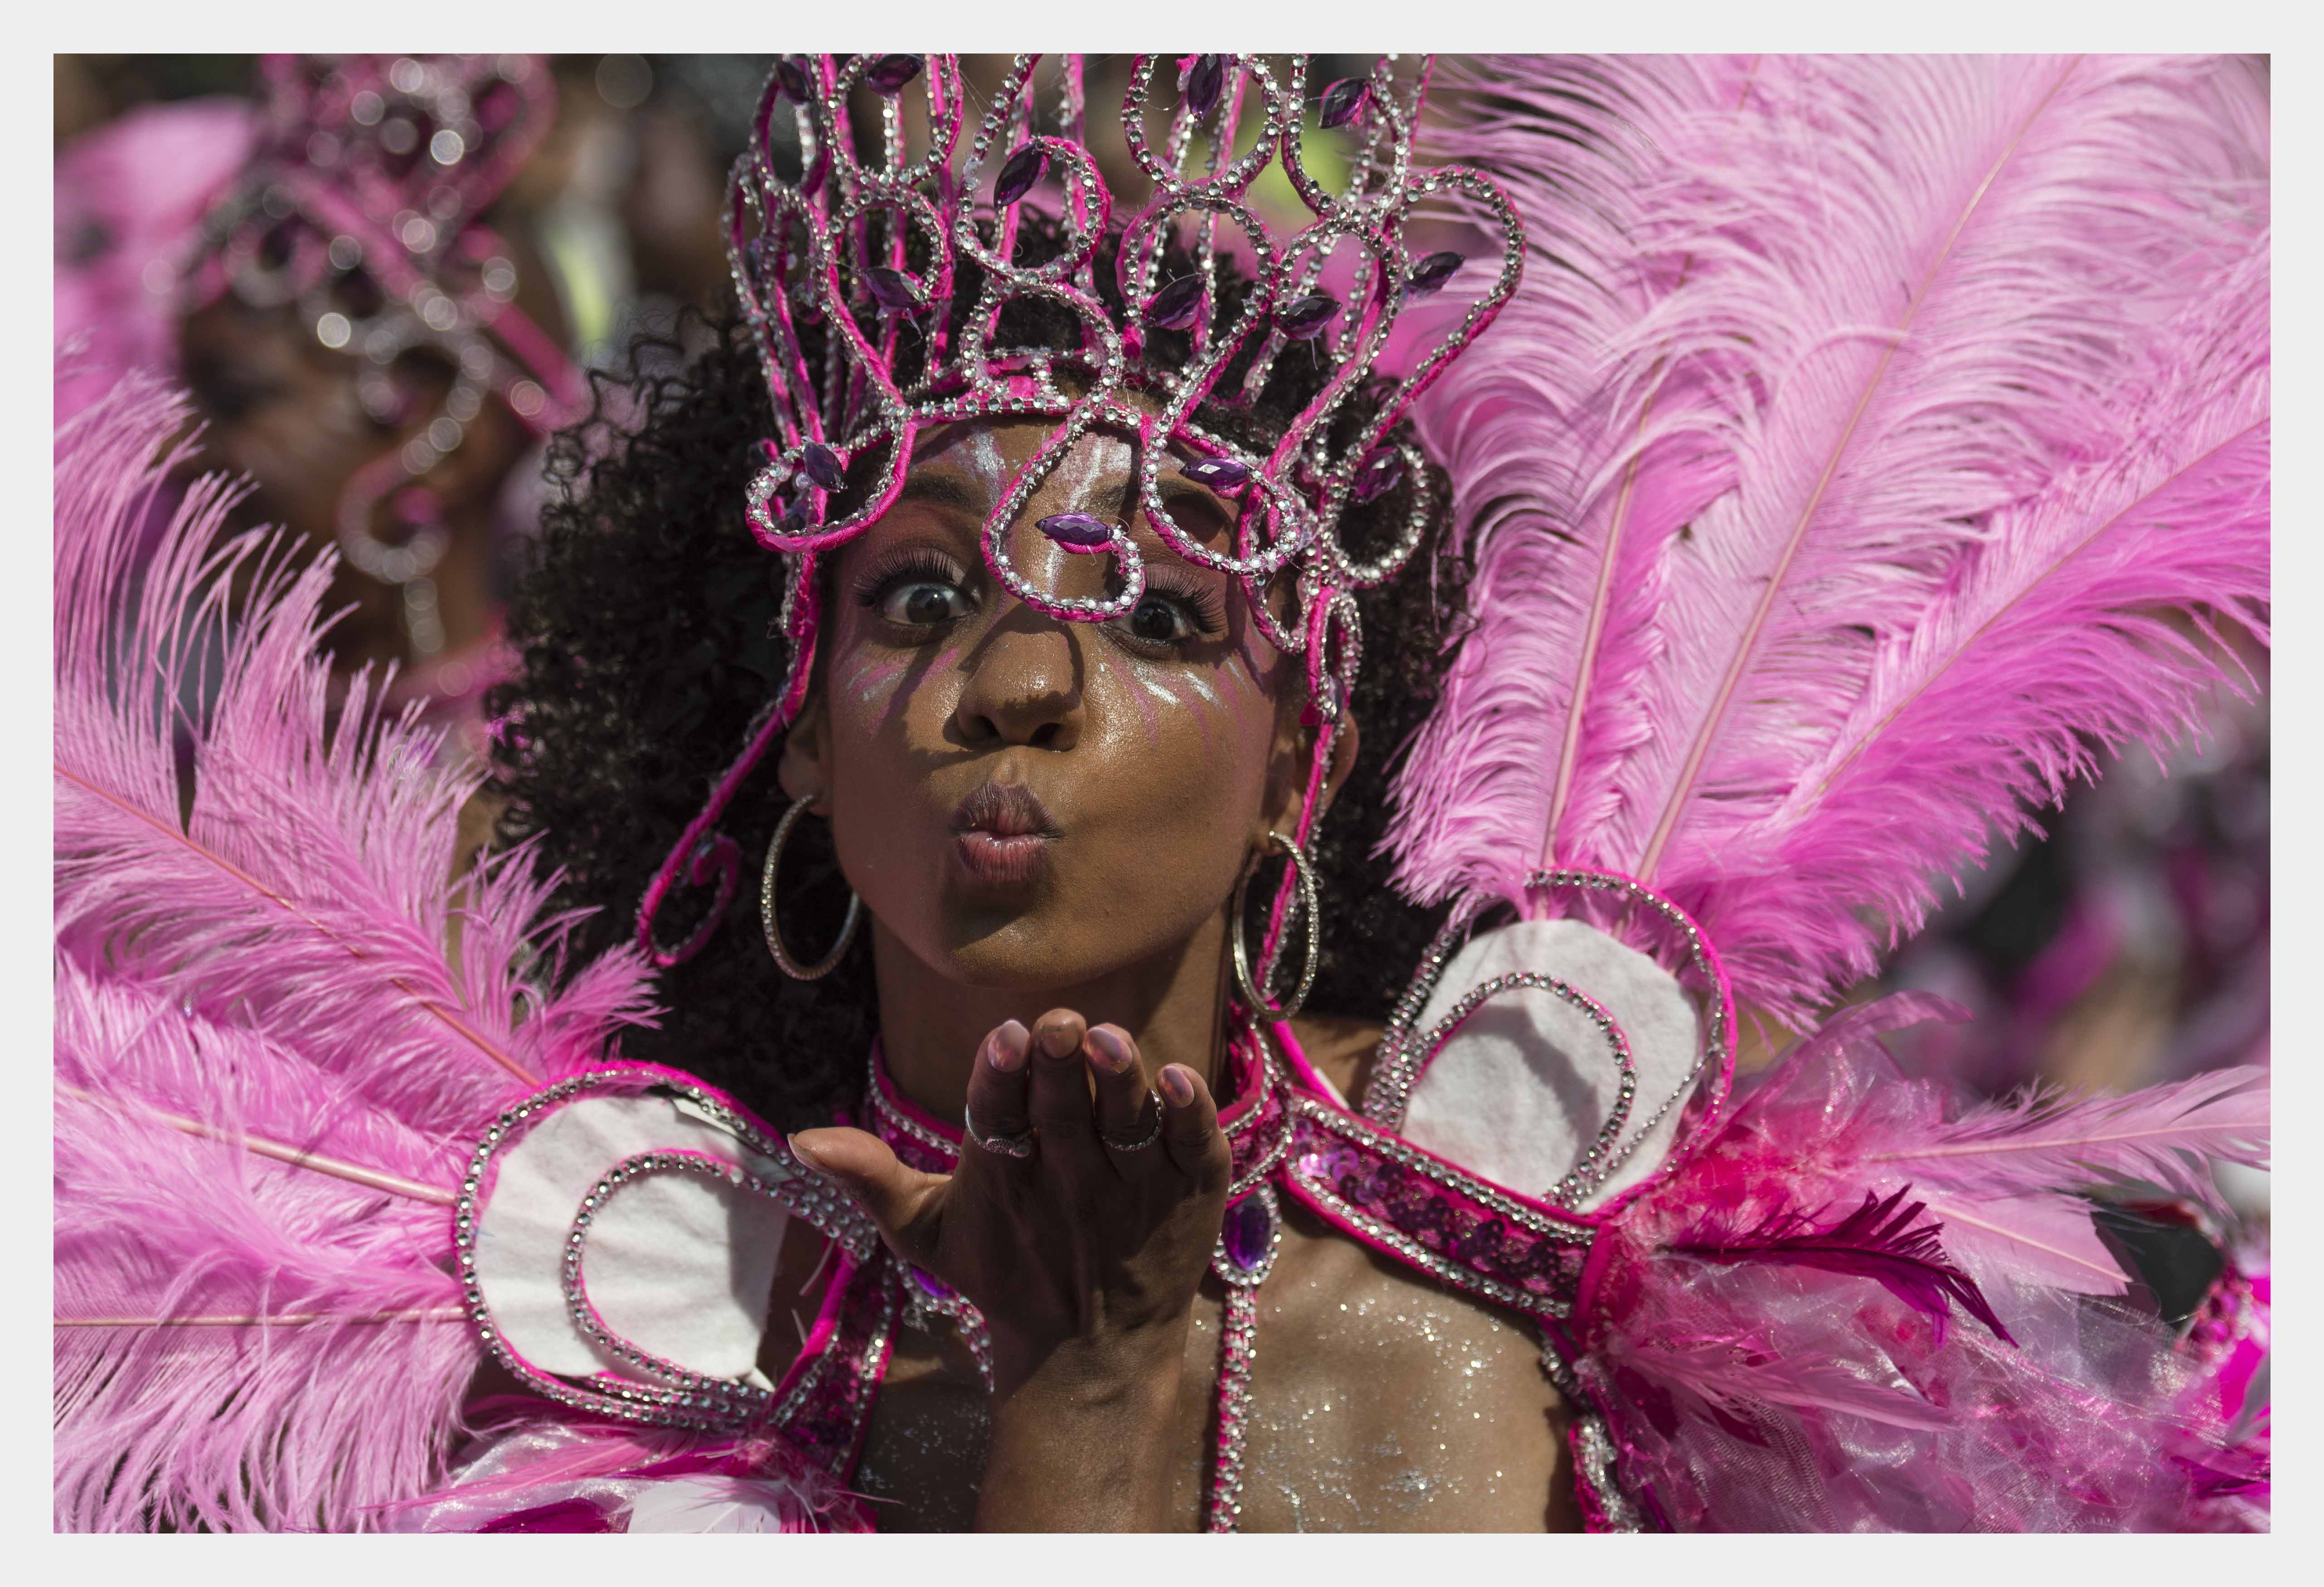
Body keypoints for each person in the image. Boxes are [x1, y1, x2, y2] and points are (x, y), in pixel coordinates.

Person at [55, 52, 2270, 1533]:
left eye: (1160, 619)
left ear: (1306, 747)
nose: (1015, 681)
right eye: (915, 601)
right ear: (799, 729)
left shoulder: (1593, 1282)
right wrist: (1075, 1394)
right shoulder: (610, 1355)